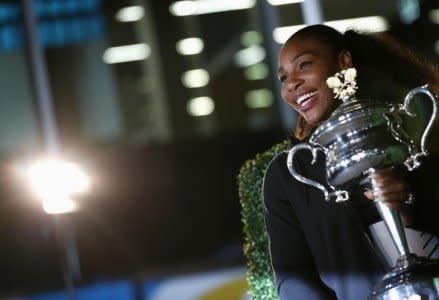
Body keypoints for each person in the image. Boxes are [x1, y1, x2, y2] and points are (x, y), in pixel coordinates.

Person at [262, 24, 439, 300]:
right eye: (284, 77)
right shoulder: (289, 173)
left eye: (304, 65)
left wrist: (407, 209)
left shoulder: (408, 132)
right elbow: (292, 275)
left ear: (344, 62)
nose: (291, 84)